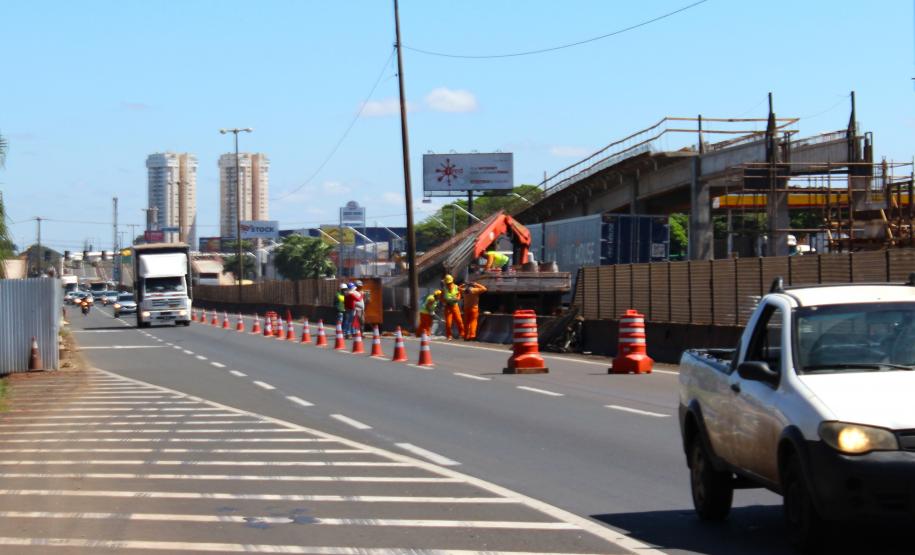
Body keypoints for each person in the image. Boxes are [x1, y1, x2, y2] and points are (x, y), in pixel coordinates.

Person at [441, 274, 464, 340]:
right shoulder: (444, 289)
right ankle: (449, 336)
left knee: (459, 321)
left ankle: (462, 334)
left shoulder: (456, 287)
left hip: (455, 306)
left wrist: (457, 298)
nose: (448, 284)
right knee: (448, 323)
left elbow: (459, 295)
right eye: (447, 283)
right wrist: (445, 301)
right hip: (448, 307)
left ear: (452, 282)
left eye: (449, 283)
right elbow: (441, 298)